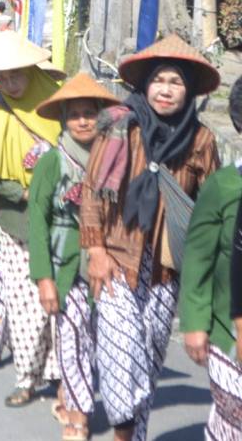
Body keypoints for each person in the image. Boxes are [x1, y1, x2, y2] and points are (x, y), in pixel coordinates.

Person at [81, 34, 220, 441]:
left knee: (148, 361)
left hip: (165, 270)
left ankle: (134, 435)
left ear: (189, 89)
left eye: (175, 82)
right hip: (116, 261)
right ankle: (123, 436)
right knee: (121, 354)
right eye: (159, 80)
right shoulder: (119, 124)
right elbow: (92, 190)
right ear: (145, 84)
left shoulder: (201, 140)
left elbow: (210, 210)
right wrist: (94, 248)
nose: (165, 90)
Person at [0, 30, 61, 408]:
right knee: (25, 307)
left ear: (30, 69)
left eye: (15, 75)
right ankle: (27, 376)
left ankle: (61, 374)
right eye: (1, 78)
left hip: (62, 220)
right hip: (18, 221)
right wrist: (21, 193)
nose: (8, 83)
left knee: (63, 305)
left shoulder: (59, 104)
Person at [28, 73, 120, 441]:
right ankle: (79, 417)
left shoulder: (115, 161)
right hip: (65, 263)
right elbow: (38, 219)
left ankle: (70, 395)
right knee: (72, 340)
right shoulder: (53, 162)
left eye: (90, 113)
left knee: (97, 343)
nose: (83, 121)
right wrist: (44, 278)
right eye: (75, 114)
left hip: (108, 264)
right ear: (63, 119)